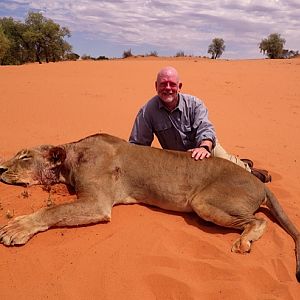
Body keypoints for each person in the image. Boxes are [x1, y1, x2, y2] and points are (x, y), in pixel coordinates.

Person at [129, 66, 271, 183]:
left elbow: (206, 128)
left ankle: (249, 170)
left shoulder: (195, 104)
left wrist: (204, 147)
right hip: (177, 160)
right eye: (163, 84)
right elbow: (137, 145)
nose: (168, 88)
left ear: (179, 86)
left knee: (230, 167)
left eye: (172, 84)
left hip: (205, 149)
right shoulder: (147, 111)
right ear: (156, 86)